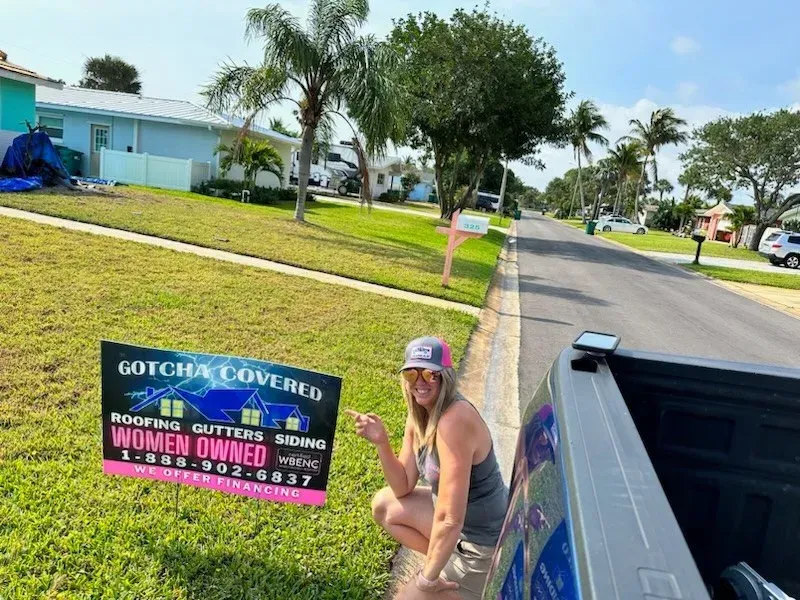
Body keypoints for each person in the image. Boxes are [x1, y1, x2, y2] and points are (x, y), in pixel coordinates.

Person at [346, 337, 508, 599]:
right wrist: (381, 443)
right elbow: (402, 486)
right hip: (457, 529)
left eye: (430, 374)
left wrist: (424, 581)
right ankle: (443, 567)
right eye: (411, 373)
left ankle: (463, 581)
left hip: (480, 542)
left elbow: (449, 518)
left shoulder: (455, 419)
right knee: (384, 505)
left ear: (446, 377)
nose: (419, 382)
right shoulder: (419, 413)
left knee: (407, 597)